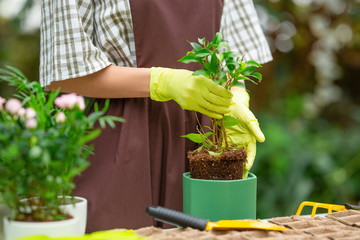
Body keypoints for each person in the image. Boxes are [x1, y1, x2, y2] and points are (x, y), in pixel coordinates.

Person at [40, 0, 272, 233]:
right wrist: (162, 82)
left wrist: (236, 97)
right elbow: (64, 73)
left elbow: (234, 58)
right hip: (123, 146)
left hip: (205, 148)